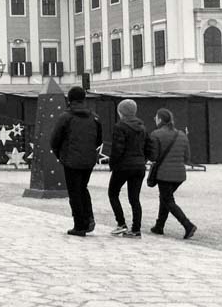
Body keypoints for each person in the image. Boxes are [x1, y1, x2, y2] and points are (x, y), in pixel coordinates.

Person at [49, 85, 102, 236]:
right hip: (88, 160)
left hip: (71, 160)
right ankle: (89, 218)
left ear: (69, 100)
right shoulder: (94, 117)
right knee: (83, 188)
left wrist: (62, 156)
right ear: (84, 99)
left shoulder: (65, 117)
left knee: (74, 192)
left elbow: (54, 140)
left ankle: (80, 225)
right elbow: (99, 140)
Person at [147, 107, 196, 239]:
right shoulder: (182, 135)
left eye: (156, 117)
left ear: (160, 119)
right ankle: (159, 226)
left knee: (168, 200)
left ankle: (188, 225)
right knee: (165, 198)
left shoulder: (156, 134)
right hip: (179, 175)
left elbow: (153, 156)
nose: (155, 119)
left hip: (164, 174)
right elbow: (187, 158)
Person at [107, 99, 147, 237]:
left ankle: (121, 223)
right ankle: (136, 229)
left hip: (123, 166)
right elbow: (149, 147)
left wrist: (112, 164)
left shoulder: (120, 127)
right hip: (139, 166)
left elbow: (118, 148)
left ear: (121, 112)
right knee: (134, 199)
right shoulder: (142, 127)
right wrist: (143, 160)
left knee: (113, 193)